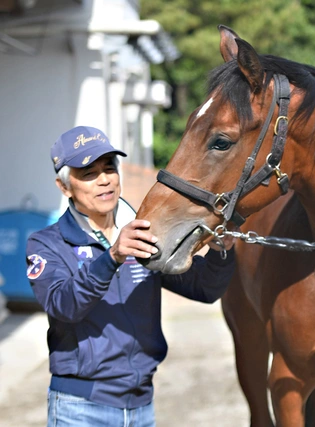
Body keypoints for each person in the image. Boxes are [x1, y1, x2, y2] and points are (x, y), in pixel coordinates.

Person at [26, 126, 236, 427]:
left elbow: (204, 288)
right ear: (65, 187)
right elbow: (63, 305)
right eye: (88, 173)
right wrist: (112, 258)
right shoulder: (46, 243)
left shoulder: (145, 235)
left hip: (141, 408)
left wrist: (221, 251)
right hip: (79, 408)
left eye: (109, 168)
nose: (104, 180)